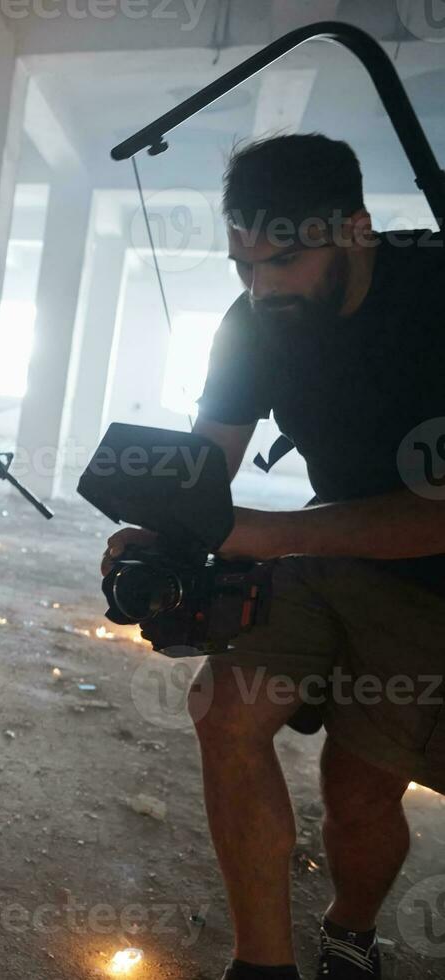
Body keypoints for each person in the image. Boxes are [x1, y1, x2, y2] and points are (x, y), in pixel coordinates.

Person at [103, 134, 445, 980]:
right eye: (242, 263)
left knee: (359, 795)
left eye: (285, 260)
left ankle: (350, 931)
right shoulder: (254, 320)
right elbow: (208, 467)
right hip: (331, 555)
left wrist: (274, 531)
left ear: (358, 230)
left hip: (430, 582)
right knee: (224, 707)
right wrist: (165, 530)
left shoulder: (435, 296)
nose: (262, 287)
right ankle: (261, 967)